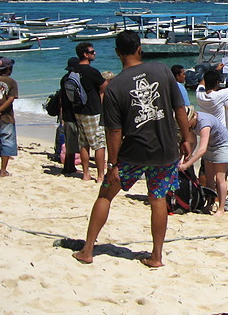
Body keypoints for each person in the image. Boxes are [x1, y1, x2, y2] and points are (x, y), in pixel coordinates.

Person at [73, 30, 193, 267]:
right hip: (165, 150)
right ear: (140, 48)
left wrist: (113, 164)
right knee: (158, 199)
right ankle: (156, 256)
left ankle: (87, 250)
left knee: (106, 195)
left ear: (118, 53)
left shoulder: (115, 86)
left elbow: (114, 132)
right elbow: (180, 108)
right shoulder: (162, 69)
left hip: (132, 153)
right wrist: (186, 139)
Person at [179, 109, 228, 215]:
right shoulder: (191, 125)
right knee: (209, 177)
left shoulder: (204, 123)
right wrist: (186, 157)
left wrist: (187, 165)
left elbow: (202, 149)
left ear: (191, 118)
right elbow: (192, 142)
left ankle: (221, 208)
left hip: (223, 146)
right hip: (210, 145)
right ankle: (209, 204)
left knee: (219, 178)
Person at [73, 42, 107, 183]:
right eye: (92, 52)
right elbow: (104, 86)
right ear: (86, 55)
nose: (95, 53)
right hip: (92, 110)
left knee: (84, 143)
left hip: (78, 109)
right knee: (99, 143)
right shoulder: (91, 71)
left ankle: (86, 174)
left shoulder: (73, 70)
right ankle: (100, 175)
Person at [59, 57, 81, 175]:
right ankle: (69, 166)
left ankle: (68, 165)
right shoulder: (73, 80)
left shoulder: (64, 79)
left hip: (66, 113)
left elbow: (62, 98)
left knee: (69, 141)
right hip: (72, 114)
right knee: (73, 142)